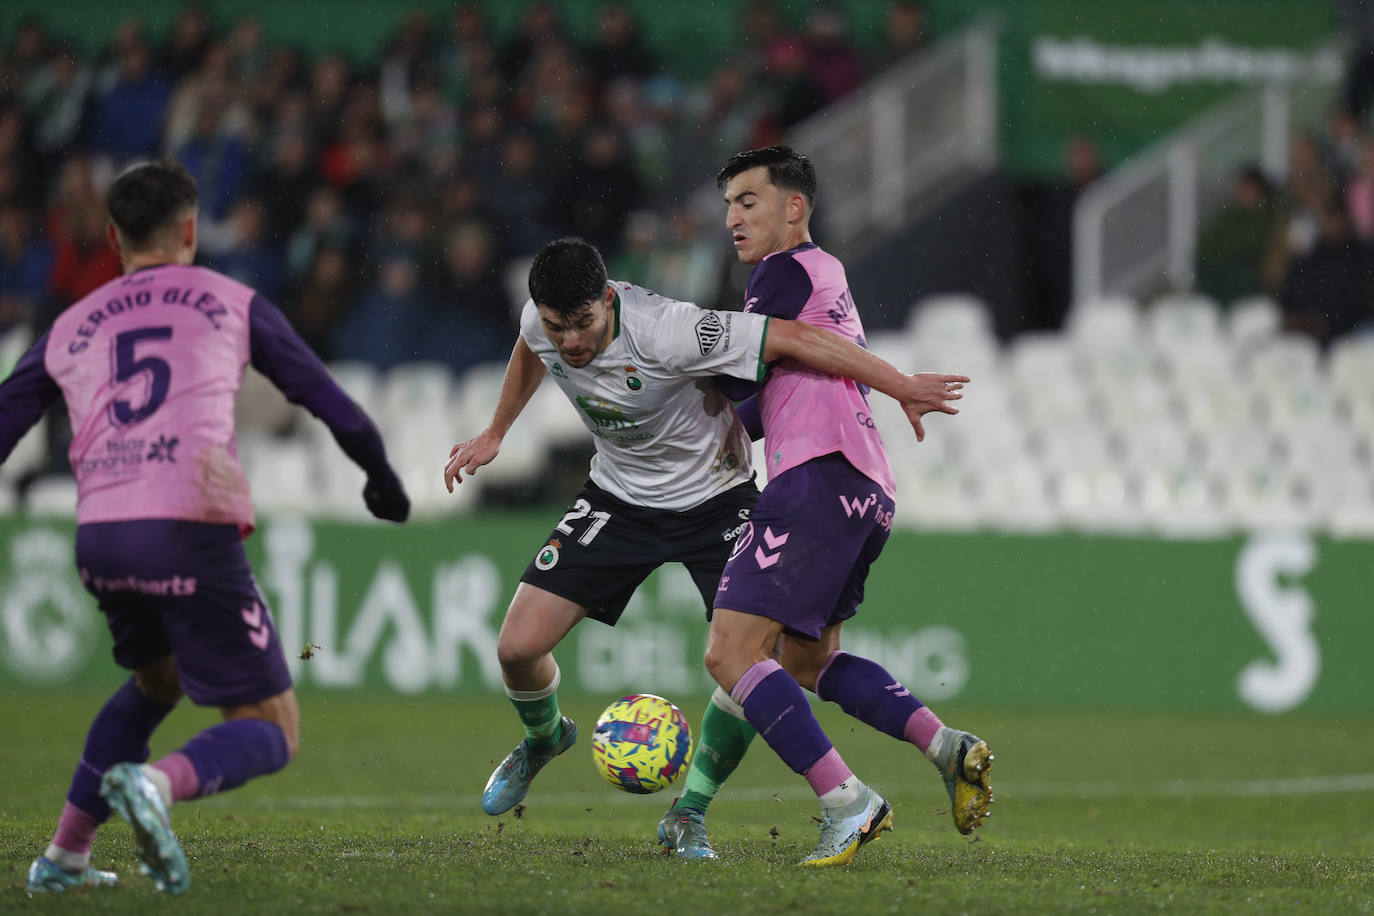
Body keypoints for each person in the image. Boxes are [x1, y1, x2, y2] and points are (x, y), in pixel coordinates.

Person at [442, 237, 965, 857]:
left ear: (609, 301)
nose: (572, 342)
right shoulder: (542, 323)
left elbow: (796, 338)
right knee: (516, 648)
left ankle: (690, 811)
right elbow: (531, 349)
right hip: (619, 499)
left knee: (754, 658)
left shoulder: (672, 330)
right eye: (559, 326)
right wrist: (496, 430)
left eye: (583, 323)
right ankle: (544, 738)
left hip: (716, 498)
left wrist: (898, 383)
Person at [4, 160, 410, 895]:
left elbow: (6, 417)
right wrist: (381, 479)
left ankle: (64, 856)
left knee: (157, 679)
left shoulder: (71, 324)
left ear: (114, 237)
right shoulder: (230, 301)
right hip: (187, 521)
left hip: (98, 531)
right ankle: (156, 785)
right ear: (190, 229)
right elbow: (328, 400)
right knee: (274, 727)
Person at [700, 145, 993, 867]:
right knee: (807, 658)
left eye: (748, 201)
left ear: (793, 207)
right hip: (866, 485)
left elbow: (770, 362)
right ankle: (945, 746)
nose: (733, 219)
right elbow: (765, 402)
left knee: (732, 652)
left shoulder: (783, 272)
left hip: (816, 478)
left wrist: (682, 370)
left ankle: (846, 802)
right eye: (728, 205)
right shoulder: (823, 275)